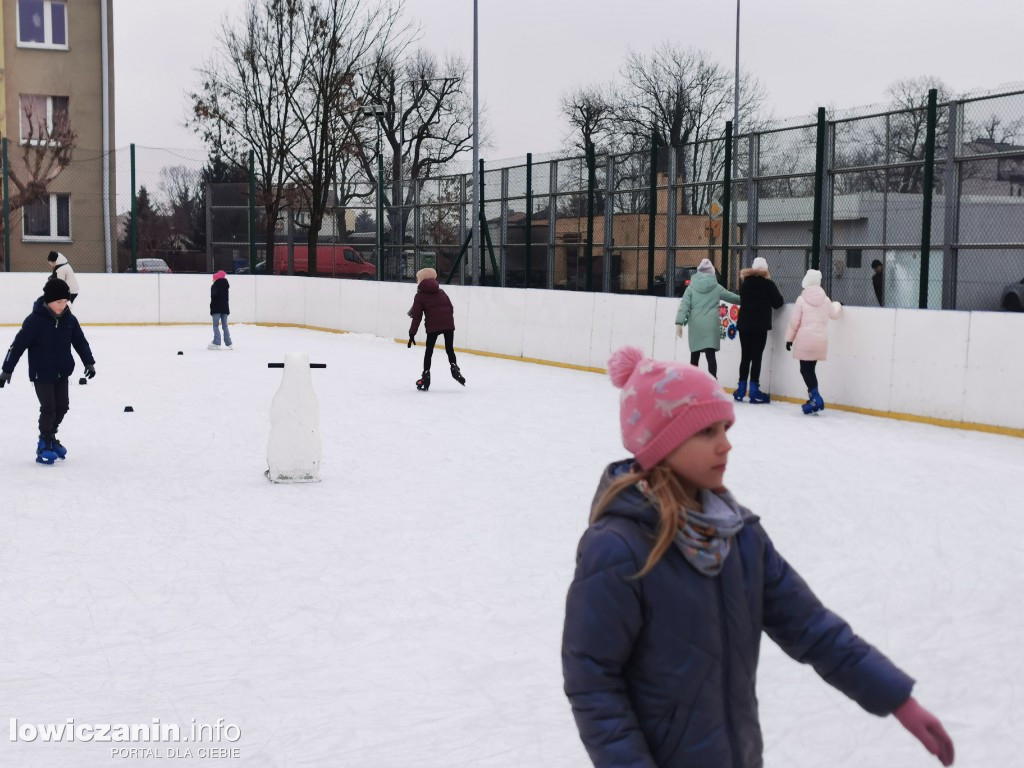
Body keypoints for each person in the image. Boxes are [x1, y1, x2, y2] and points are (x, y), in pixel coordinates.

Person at [562, 345, 955, 768]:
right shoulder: (618, 548)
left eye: (725, 429)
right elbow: (592, 682)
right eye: (706, 432)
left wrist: (896, 698)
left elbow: (812, 627)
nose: (725, 445)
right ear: (662, 444)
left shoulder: (740, 537)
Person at [0, 278, 96, 464]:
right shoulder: (35, 321)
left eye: (65, 301)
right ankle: (44, 442)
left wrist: (89, 362)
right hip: (41, 374)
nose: (63, 305)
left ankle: (50, 436)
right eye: (58, 302)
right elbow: (17, 346)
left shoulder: (70, 320)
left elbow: (80, 341)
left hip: (62, 372)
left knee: (62, 406)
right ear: (48, 300)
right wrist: (7, 370)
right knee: (49, 407)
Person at [785, 268, 842, 414]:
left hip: (805, 341)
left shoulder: (801, 299)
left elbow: (794, 322)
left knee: (805, 370)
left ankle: (816, 397)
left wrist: (789, 339)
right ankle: (813, 397)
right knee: (810, 369)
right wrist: (838, 304)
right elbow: (834, 314)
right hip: (820, 341)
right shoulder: (826, 300)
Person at [675, 258, 740, 378]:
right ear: (711, 272)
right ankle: (713, 382)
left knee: (695, 355)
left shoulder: (691, 288)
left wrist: (679, 322)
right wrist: (747, 299)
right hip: (711, 325)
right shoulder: (716, 287)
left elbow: (684, 305)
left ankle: (693, 381)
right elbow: (732, 297)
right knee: (710, 356)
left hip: (696, 326)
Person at [734, 256, 784, 403]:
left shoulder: (744, 285)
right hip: (760, 326)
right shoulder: (768, 285)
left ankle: (741, 389)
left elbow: (742, 300)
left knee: (745, 356)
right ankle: (754, 389)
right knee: (756, 357)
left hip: (744, 325)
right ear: (765, 270)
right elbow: (778, 303)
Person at [407, 267, 464, 391]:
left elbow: (416, 317)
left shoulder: (420, 296)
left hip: (433, 326)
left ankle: (426, 375)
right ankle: (454, 367)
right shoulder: (442, 292)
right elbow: (451, 307)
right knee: (449, 349)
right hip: (448, 324)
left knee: (429, 351)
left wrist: (412, 334)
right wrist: (446, 320)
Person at [209, 270, 233, 350]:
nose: (212, 280)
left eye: (213, 278)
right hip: (225, 309)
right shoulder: (226, 287)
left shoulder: (214, 286)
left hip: (216, 309)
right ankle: (229, 342)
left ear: (216, 279)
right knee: (225, 326)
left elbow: (213, 297)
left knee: (215, 325)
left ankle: (217, 342)